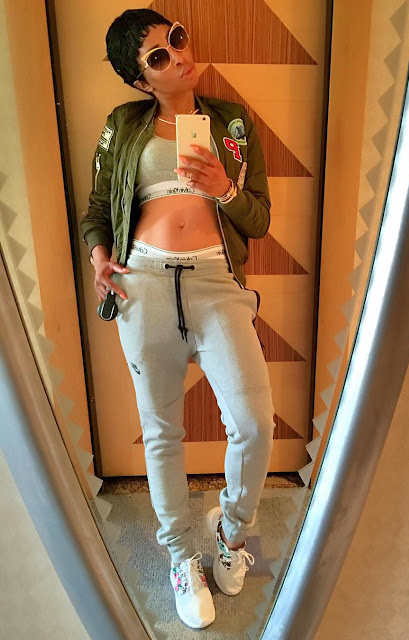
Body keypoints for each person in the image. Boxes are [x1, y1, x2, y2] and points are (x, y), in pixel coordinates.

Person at [79, 8, 276, 630]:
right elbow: (96, 209)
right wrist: (100, 258)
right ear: (141, 80)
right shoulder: (124, 125)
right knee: (161, 430)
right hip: (143, 284)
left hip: (218, 283)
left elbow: (259, 219)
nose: (179, 57)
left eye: (177, 40)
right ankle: (182, 558)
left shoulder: (232, 123)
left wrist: (223, 187)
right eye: (158, 57)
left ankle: (231, 535)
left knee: (254, 424)